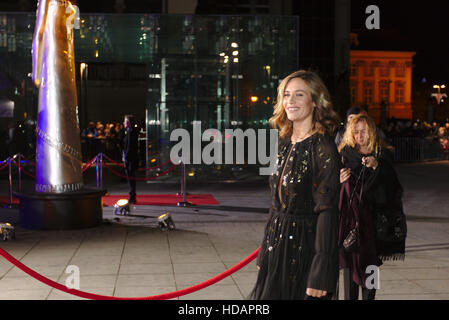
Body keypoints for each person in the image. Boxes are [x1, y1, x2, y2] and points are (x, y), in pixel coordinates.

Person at [249, 70, 341, 300]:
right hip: (277, 246)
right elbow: (275, 203)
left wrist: (321, 271)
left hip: (305, 249)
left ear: (315, 101)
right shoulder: (283, 142)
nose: (290, 101)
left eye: (299, 95)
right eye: (286, 94)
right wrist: (265, 251)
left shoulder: (323, 147)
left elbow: (327, 211)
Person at [338, 113, 407, 300]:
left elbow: (394, 188)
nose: (360, 136)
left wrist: (377, 167)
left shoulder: (382, 154)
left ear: (372, 133)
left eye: (364, 132)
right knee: (350, 269)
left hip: (374, 225)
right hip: (351, 224)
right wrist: (339, 180)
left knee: (371, 268)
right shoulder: (345, 155)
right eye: (356, 132)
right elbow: (330, 189)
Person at [122, 114, 139, 204]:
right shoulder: (129, 131)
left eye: (125, 121)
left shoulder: (131, 132)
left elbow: (130, 146)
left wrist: (126, 158)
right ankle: (132, 195)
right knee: (130, 177)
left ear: (128, 122)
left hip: (130, 159)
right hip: (130, 158)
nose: (123, 123)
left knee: (131, 177)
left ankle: (132, 196)